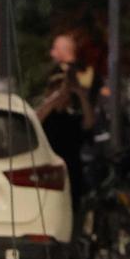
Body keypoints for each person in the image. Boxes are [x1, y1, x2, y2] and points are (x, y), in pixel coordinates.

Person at [36, 67, 95, 211]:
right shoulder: (46, 117)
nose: (63, 96)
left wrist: (80, 94)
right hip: (48, 175)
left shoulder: (72, 118)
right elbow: (37, 117)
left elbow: (89, 123)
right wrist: (55, 97)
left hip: (72, 174)